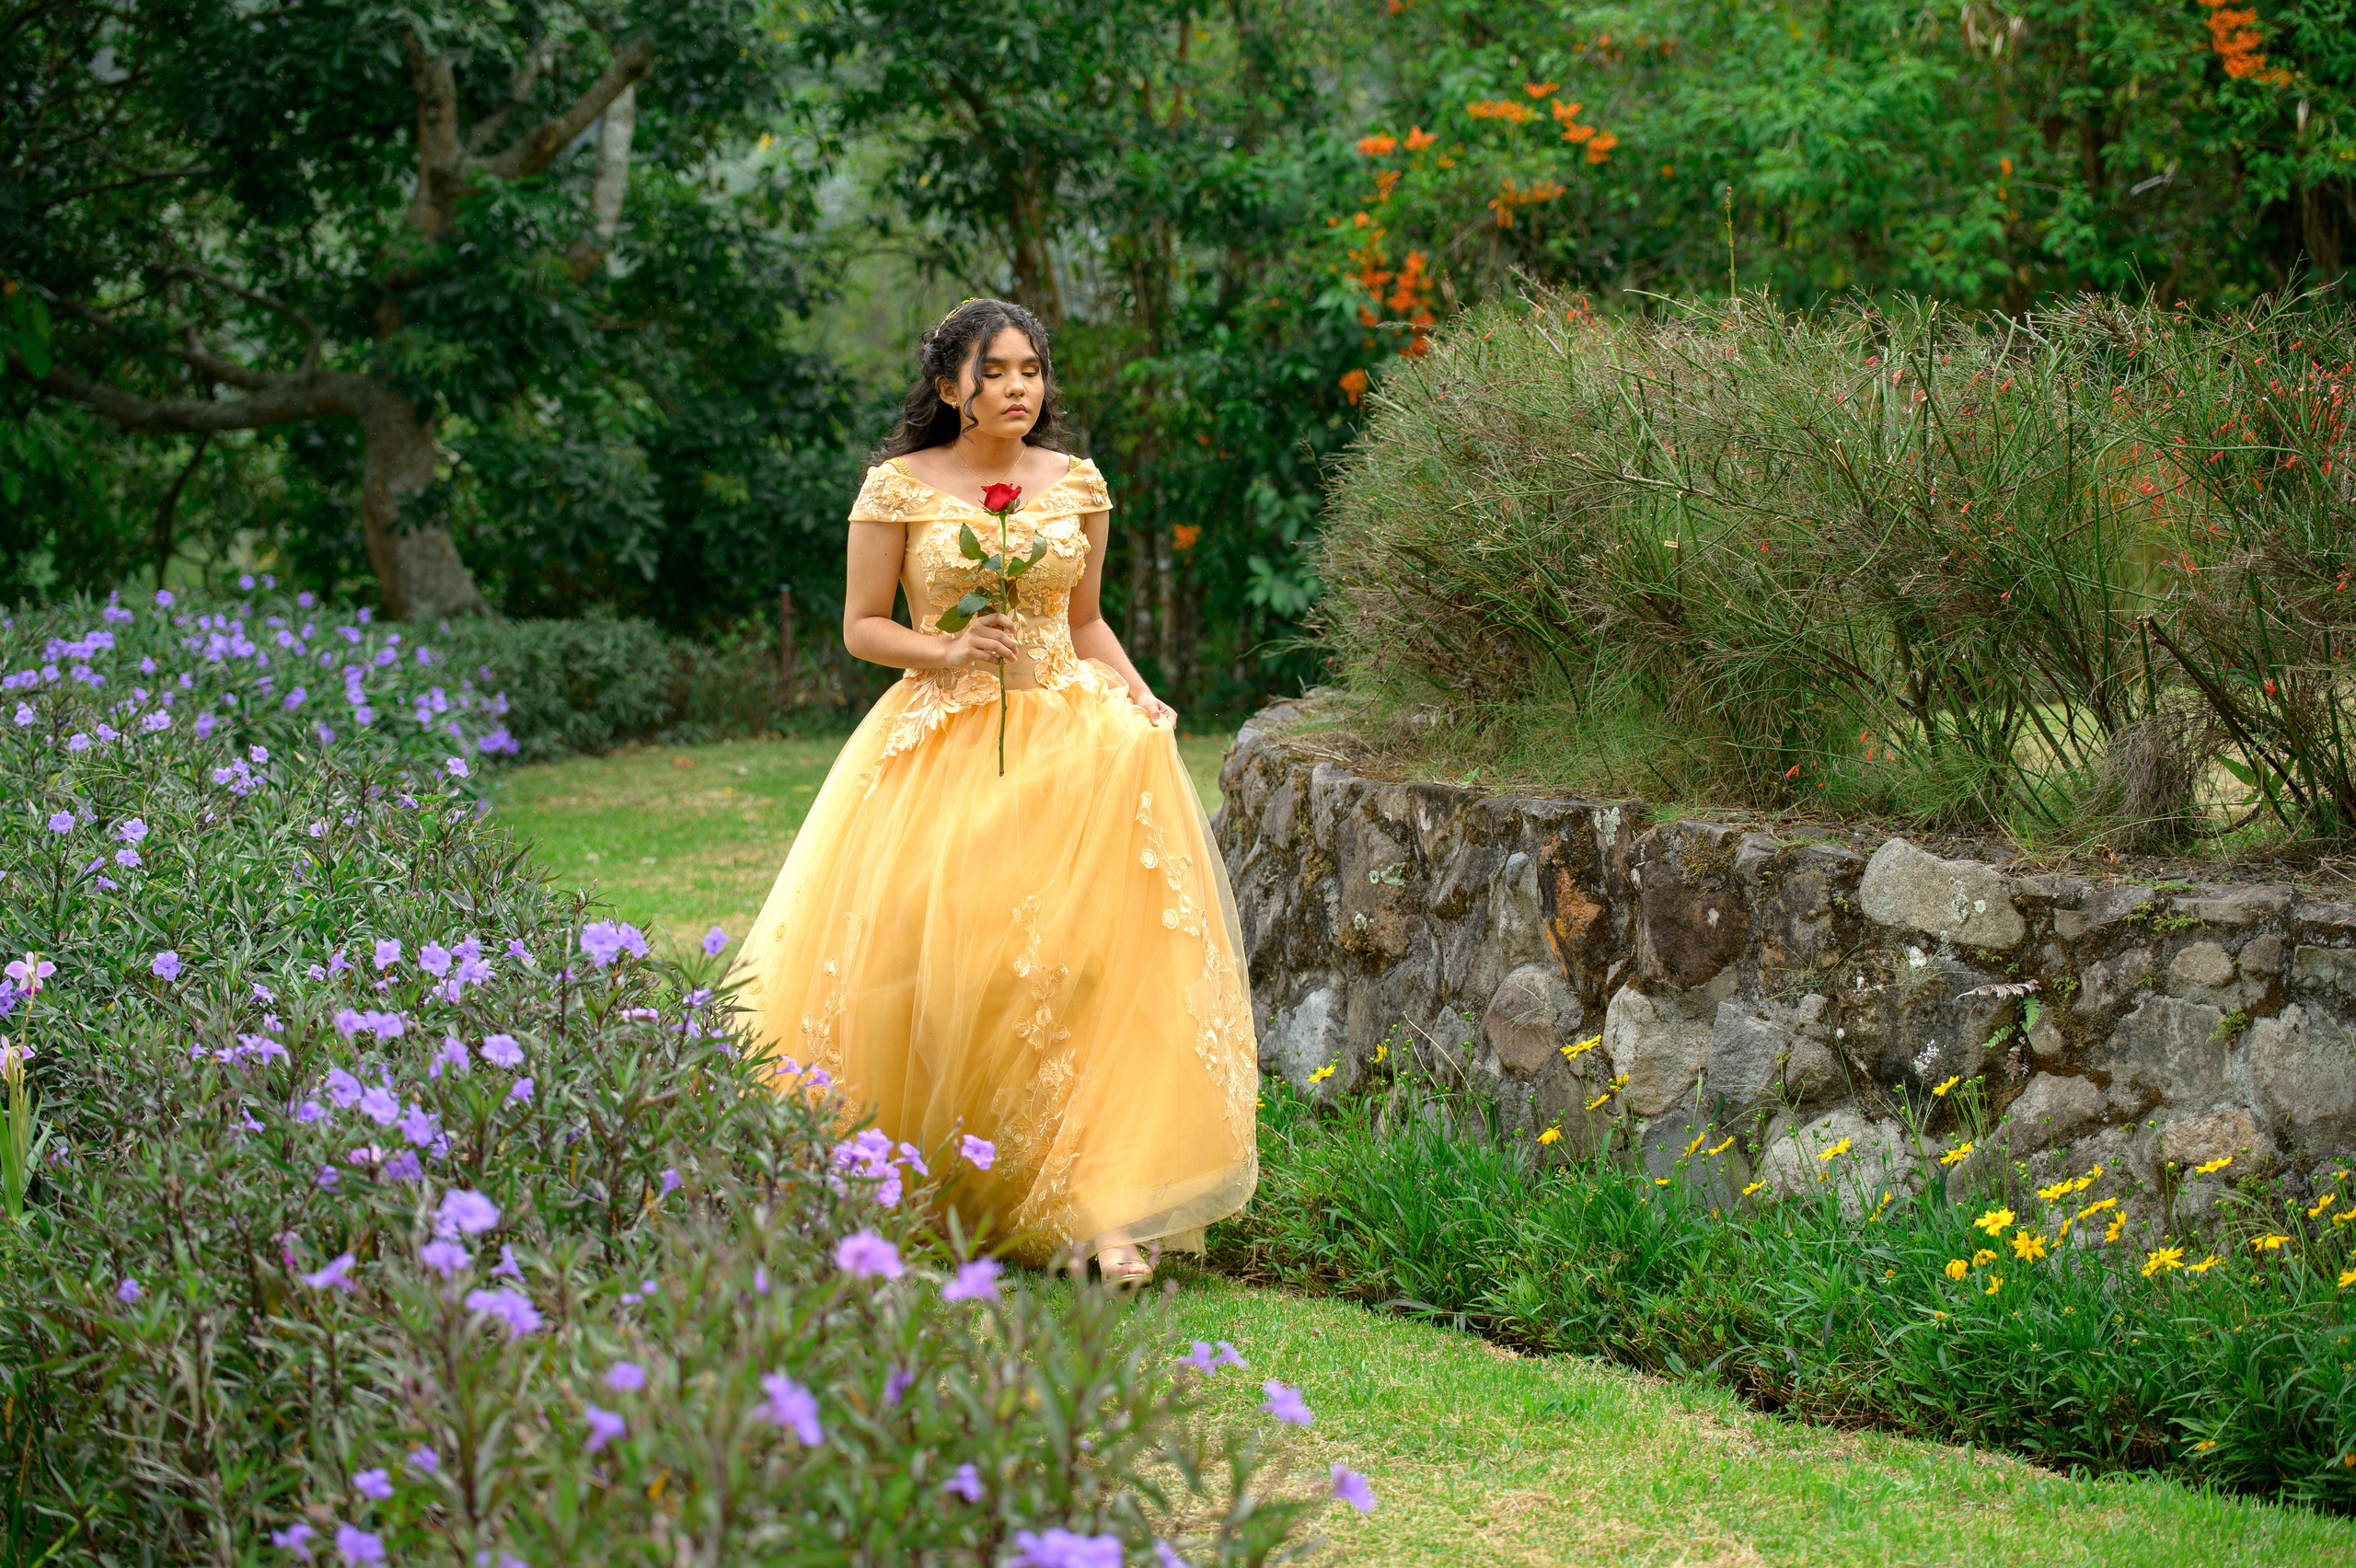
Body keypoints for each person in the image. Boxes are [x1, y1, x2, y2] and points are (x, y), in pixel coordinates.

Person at [727, 299, 1258, 1287]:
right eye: (998, 372)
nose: (1020, 388)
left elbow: (1087, 623)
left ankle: (1101, 1217)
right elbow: (859, 627)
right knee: (976, 970)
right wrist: (947, 648)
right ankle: (946, 1184)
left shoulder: (1078, 484)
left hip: (1077, 747)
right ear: (948, 387)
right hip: (948, 744)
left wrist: (1141, 696)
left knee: (1087, 973)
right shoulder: (898, 489)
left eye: (1032, 371)